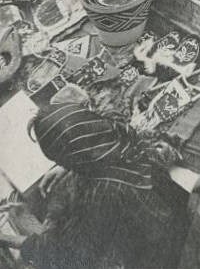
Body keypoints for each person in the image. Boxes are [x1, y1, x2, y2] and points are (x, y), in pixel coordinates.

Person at [0, 103, 189, 269]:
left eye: (60, 159)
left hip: (163, 253)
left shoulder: (103, 195)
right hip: (172, 215)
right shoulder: (120, 136)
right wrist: (70, 167)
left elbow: (70, 256)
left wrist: (10, 238)